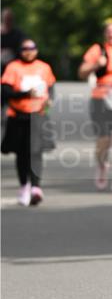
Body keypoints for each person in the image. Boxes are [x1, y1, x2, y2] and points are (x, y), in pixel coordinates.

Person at [79, 19, 112, 192]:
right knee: (103, 141)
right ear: (105, 34)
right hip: (101, 97)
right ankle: (102, 166)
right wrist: (96, 65)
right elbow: (81, 72)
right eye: (109, 31)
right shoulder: (98, 50)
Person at [1, 38, 56, 205]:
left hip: (38, 114)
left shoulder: (44, 67)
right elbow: (6, 93)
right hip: (18, 115)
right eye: (25, 49)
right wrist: (26, 94)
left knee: (36, 151)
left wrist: (48, 105)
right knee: (22, 153)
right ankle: (24, 186)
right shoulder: (13, 67)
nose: (29, 51)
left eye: (32, 48)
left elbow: (51, 88)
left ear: (37, 50)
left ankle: (36, 187)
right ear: (21, 51)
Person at [1, 8, 26, 75]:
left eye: (9, 19)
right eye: (6, 18)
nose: (7, 21)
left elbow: (24, 45)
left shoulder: (18, 34)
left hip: (14, 65)